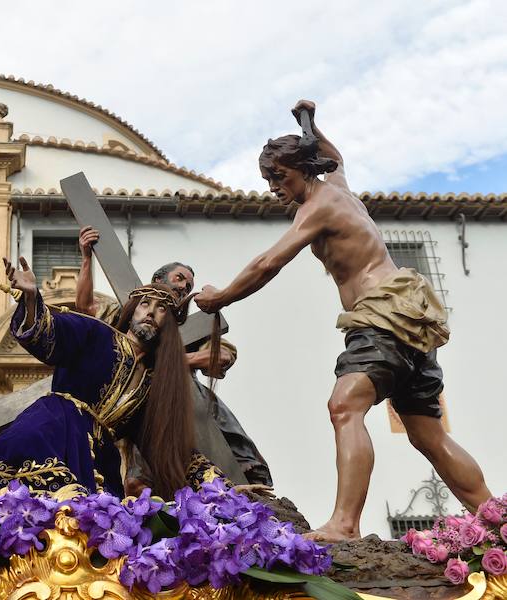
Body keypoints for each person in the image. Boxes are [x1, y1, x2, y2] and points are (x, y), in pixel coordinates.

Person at [194, 100, 491, 541]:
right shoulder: (339, 187)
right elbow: (338, 159)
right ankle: (494, 518)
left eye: (280, 177)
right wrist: (309, 124)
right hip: (409, 321)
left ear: (304, 171)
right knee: (426, 432)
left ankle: (345, 524)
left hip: (381, 317)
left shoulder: (318, 206)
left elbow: (268, 264)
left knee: (344, 406)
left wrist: (221, 297)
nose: (274, 187)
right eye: (268, 179)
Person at [0, 257, 223, 500]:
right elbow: (52, 334)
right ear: (134, 310)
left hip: (100, 462)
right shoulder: (97, 334)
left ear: (168, 322)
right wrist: (33, 297)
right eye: (145, 304)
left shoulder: (152, 386)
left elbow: (166, 444)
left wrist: (217, 486)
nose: (150, 313)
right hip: (53, 430)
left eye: (161, 309)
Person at [74, 227, 273, 491]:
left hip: (183, 400)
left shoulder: (190, 327)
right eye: (179, 278)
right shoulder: (129, 311)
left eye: (188, 286)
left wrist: (175, 364)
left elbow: (222, 355)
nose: (183, 287)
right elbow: (85, 308)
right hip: (137, 402)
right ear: (157, 278)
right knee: (137, 477)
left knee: (208, 404)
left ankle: (247, 468)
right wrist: (87, 258)